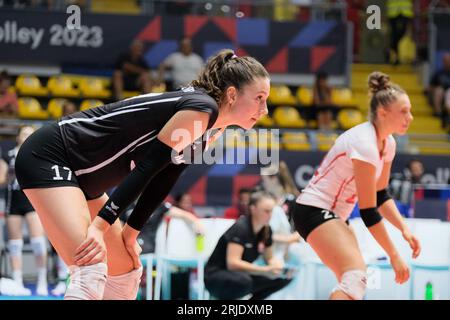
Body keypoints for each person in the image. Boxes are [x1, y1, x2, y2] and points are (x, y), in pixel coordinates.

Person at [14, 49, 270, 300]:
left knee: (126, 272)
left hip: (85, 178)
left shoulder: (212, 130)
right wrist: (100, 226)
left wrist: (130, 234)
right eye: (259, 98)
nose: (265, 109)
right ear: (233, 94)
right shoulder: (202, 109)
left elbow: (164, 178)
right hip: (51, 156)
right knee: (90, 268)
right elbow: (148, 168)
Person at [291, 71, 421, 300]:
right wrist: (393, 254)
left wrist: (404, 229)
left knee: (356, 282)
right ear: (382, 113)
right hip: (313, 210)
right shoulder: (365, 144)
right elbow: (369, 212)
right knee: (354, 276)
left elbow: (381, 195)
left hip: (331, 214)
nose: (410, 117)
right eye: (404, 111)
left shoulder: (387, 143)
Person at [204, 191, 291, 300]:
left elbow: (269, 258)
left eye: (271, 211)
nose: (270, 215)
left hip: (239, 276)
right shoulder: (241, 228)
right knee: (244, 281)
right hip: (216, 277)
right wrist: (266, 270)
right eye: (266, 211)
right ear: (253, 209)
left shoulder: (267, 230)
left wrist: (277, 266)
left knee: (282, 280)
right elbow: (233, 263)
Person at [0, 126, 48, 296]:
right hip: (14, 202)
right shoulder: (9, 155)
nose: (27, 136)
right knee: (15, 244)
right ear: (18, 136)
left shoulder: (38, 152)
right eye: (24, 133)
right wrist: (7, 177)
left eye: (30, 134)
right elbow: (2, 180)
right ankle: (17, 281)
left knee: (38, 242)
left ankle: (42, 280)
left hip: (33, 200)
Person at [429, 53, 450, 128]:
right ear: (443, 62)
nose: (448, 63)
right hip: (441, 93)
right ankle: (438, 112)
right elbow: (430, 86)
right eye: (446, 61)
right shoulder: (439, 73)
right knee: (439, 90)